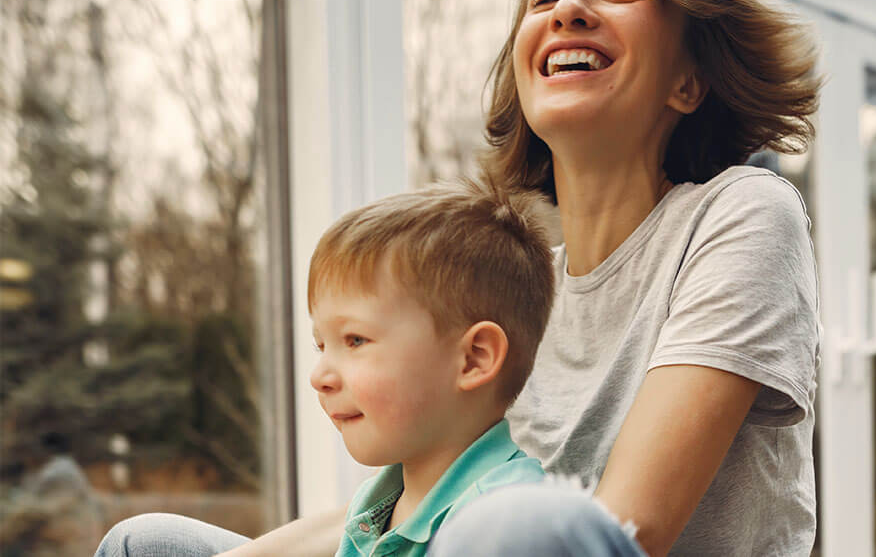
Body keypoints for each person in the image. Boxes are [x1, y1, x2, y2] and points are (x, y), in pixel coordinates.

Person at [96, 0, 821, 557]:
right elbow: (420, 508)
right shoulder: (525, 289)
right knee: (147, 543)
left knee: (519, 525)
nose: (567, 8)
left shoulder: (742, 213)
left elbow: (634, 523)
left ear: (689, 82)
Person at [96, 179, 557, 557]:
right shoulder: (386, 496)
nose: (319, 375)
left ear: (473, 358)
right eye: (321, 344)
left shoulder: (506, 521)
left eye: (355, 340)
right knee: (142, 542)